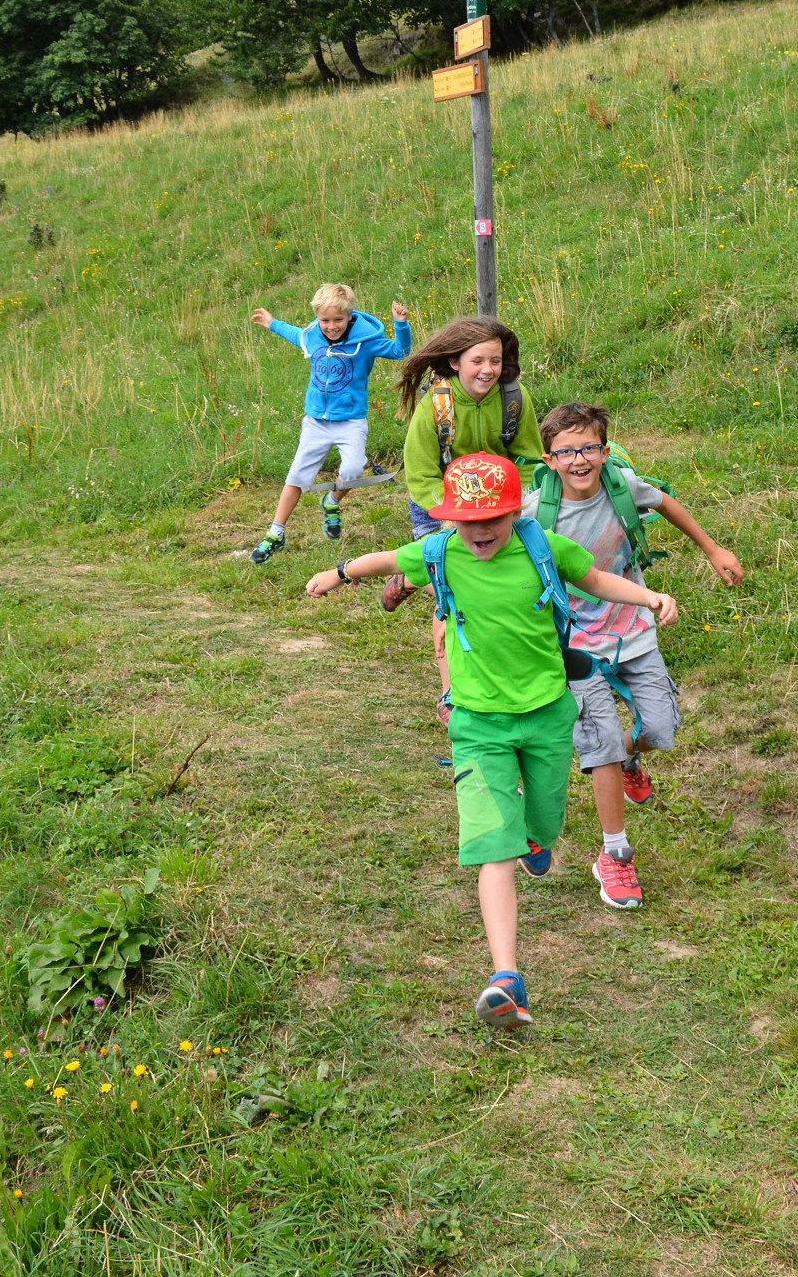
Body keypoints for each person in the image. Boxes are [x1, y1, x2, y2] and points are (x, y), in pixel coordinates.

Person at [305, 452, 679, 1029]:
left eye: (492, 520)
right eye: (466, 521)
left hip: (548, 714)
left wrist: (647, 598)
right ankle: (506, 976)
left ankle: (534, 837)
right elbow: (386, 560)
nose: (479, 532)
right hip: (477, 724)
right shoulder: (440, 552)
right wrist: (339, 572)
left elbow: (597, 578)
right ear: (451, 519)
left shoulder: (542, 548)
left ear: (513, 512)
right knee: (493, 849)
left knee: (543, 824)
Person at [518, 401, 743, 912]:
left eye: (589, 447)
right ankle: (614, 854)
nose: (579, 459)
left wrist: (713, 549)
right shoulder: (533, 513)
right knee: (598, 745)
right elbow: (481, 543)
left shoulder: (622, 485)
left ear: (604, 449)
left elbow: (665, 503)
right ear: (549, 459)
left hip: (634, 632)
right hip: (572, 644)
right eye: (566, 451)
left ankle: (631, 753)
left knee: (661, 728)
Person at [383, 315, 541, 611]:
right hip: (441, 499)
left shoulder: (515, 397)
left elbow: (528, 458)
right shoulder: (435, 404)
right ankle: (412, 578)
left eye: (495, 361)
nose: (488, 370)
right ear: (455, 361)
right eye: (477, 360)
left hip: (499, 497)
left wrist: (516, 502)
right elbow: (421, 475)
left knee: (506, 565)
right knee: (451, 578)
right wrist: (452, 512)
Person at [245, 283, 410, 563]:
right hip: (316, 422)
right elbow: (294, 332)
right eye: (325, 320)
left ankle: (331, 501)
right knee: (297, 476)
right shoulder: (312, 337)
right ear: (318, 318)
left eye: (338, 320)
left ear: (349, 316)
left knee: (353, 469)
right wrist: (272, 323)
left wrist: (401, 323)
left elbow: (399, 351)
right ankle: (276, 532)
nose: (331, 326)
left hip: (351, 421)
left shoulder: (366, 341)